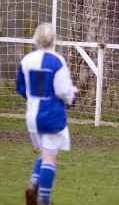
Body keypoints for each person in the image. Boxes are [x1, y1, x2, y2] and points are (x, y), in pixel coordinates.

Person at [16, 23, 79, 205]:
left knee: (44, 153)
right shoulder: (57, 61)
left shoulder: (26, 61)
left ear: (36, 39)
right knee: (50, 158)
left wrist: (34, 98)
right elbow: (62, 91)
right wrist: (72, 92)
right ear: (53, 39)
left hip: (33, 116)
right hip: (52, 116)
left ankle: (32, 186)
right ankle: (44, 201)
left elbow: (21, 87)